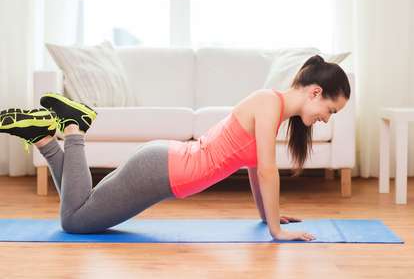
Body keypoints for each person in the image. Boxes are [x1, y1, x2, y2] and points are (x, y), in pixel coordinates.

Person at [0, 54, 350, 241]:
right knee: (74, 222)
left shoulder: (270, 108)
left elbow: (254, 170)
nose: (326, 118)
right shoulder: (268, 103)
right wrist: (276, 231)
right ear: (315, 92)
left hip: (161, 163)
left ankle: (43, 137)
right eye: (330, 110)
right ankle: (73, 127)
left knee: (80, 206)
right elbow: (267, 170)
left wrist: (267, 216)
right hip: (162, 170)